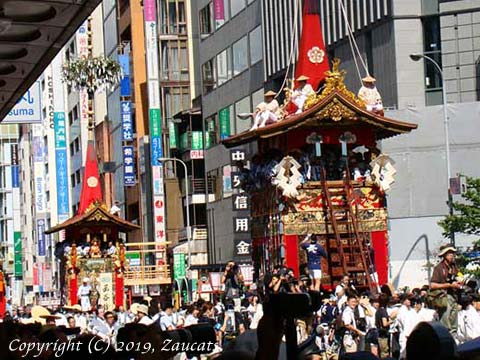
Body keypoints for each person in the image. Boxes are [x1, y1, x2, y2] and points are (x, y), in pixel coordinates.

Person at [430, 245, 462, 335]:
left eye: (452, 253)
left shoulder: (454, 266)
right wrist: (449, 285)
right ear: (444, 255)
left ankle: (454, 344)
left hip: (454, 297)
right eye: (449, 253)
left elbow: (459, 276)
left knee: (454, 325)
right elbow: (432, 285)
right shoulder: (439, 268)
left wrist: (460, 281)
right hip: (443, 298)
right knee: (445, 324)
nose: (452, 255)